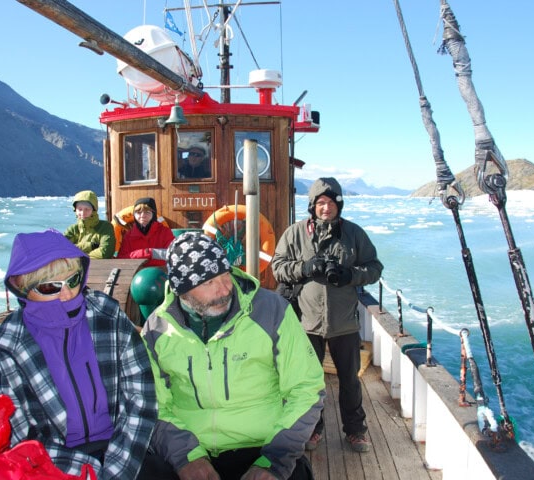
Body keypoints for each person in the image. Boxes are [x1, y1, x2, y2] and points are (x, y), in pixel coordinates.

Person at [141, 232, 325, 480]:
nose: (225, 289)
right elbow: (153, 405)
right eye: (209, 283)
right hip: (186, 449)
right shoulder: (157, 329)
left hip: (262, 446)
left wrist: (274, 462)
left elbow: (306, 388)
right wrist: (186, 458)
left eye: (225, 274)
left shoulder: (271, 311)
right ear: (182, 290)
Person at [0, 229, 157, 479]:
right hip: (51, 464)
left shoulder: (107, 315)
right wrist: (85, 471)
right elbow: (13, 436)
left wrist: (118, 471)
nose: (67, 294)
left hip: (124, 448)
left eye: (73, 280)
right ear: (22, 287)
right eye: (51, 286)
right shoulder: (4, 348)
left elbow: (141, 397)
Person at [271, 177, 383, 453]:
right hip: (307, 323)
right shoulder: (295, 233)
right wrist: (305, 268)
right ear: (312, 206)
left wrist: (350, 274)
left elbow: (375, 267)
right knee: (310, 382)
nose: (326, 208)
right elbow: (278, 267)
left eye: (331, 203)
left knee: (350, 381)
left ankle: (356, 431)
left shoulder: (354, 234)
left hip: (344, 323)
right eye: (321, 203)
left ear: (339, 206)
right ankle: (312, 429)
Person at [116, 197, 175, 267]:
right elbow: (121, 259)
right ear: (134, 215)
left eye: (147, 212)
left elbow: (173, 254)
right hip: (135, 273)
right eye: (138, 212)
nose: (142, 216)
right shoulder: (128, 236)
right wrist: (146, 253)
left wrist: (148, 254)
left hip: (160, 273)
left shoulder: (165, 232)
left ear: (154, 215)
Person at [63, 190, 115, 258]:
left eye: (87, 209)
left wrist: (80, 257)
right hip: (76, 267)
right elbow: (61, 249)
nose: (83, 213)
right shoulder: (72, 229)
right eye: (79, 209)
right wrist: (90, 246)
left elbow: (105, 252)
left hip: (101, 267)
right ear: (75, 210)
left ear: (93, 210)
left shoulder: (105, 227)